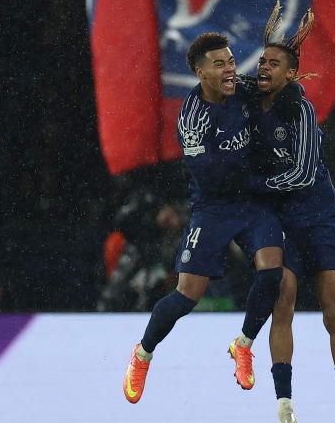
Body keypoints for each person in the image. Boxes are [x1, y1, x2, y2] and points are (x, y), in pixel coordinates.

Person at [122, 33, 285, 404]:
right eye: (220, 64)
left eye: (230, 61)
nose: (230, 69)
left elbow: (280, 88)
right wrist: (268, 174)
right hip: (214, 208)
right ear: (200, 72)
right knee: (185, 296)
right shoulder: (193, 119)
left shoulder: (244, 89)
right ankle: (143, 354)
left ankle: (243, 345)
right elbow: (214, 178)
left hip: (254, 204)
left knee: (272, 273)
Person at [249, 1, 335, 423]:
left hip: (316, 217)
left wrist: (250, 185)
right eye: (262, 60)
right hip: (282, 221)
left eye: (273, 63)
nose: (263, 67)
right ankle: (284, 408)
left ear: (291, 74)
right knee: (284, 305)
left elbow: (298, 176)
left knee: (333, 311)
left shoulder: (302, 114)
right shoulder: (249, 100)